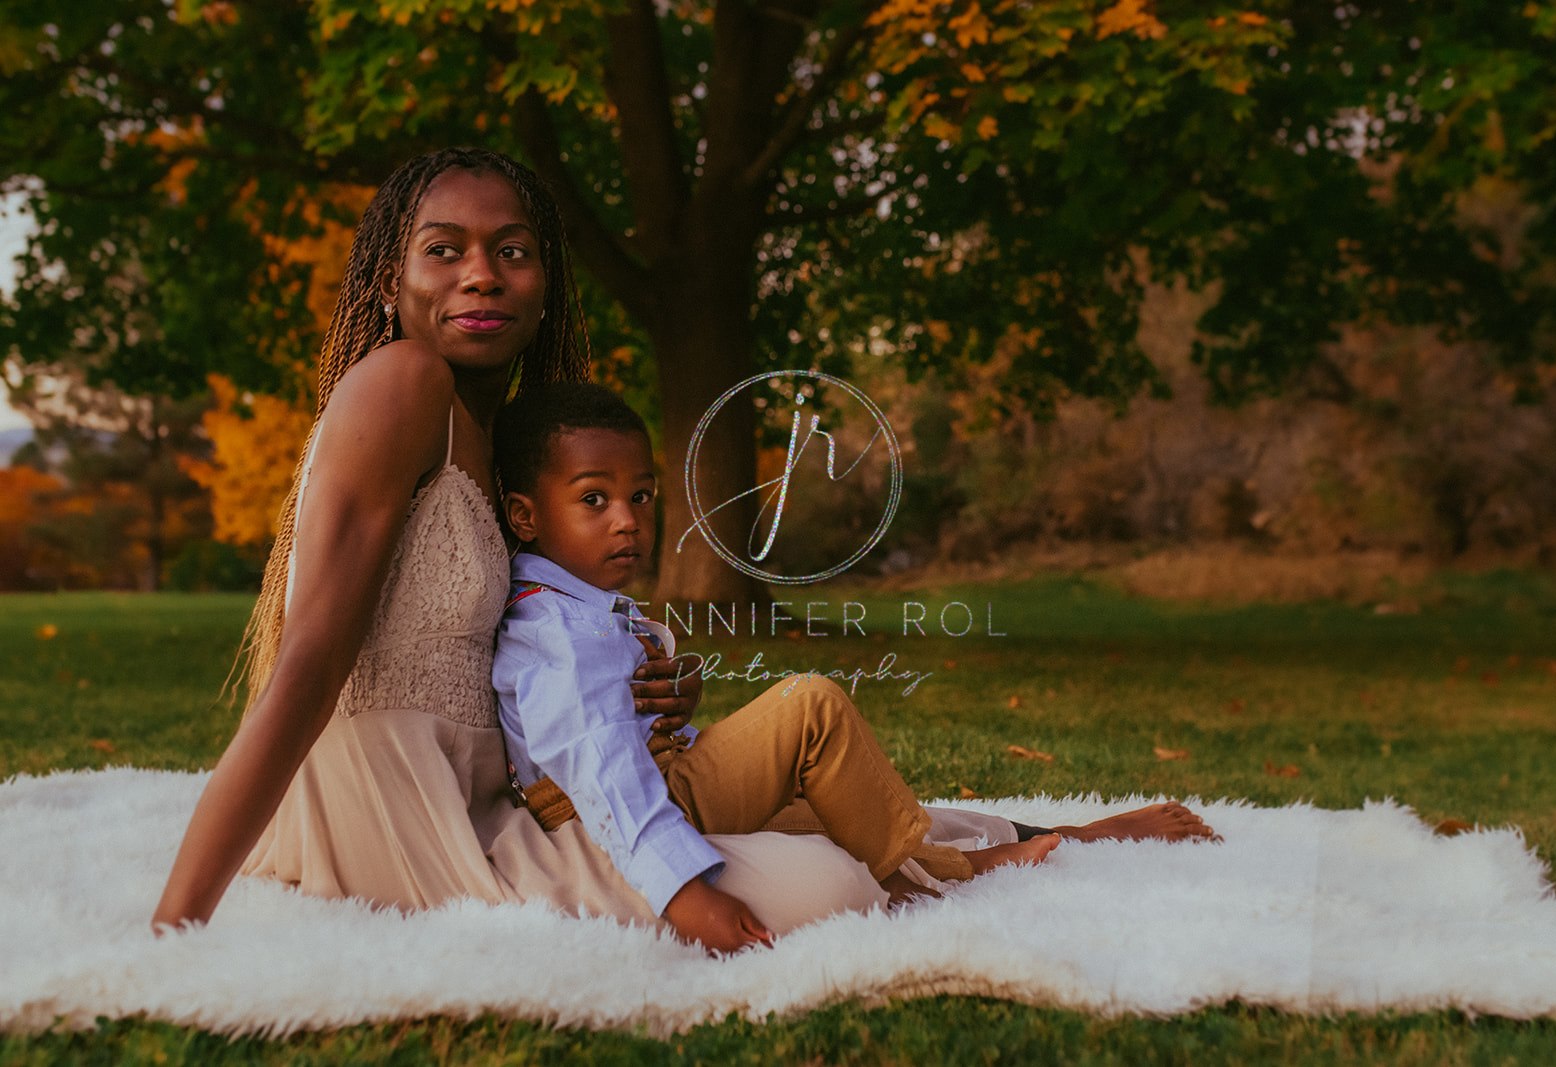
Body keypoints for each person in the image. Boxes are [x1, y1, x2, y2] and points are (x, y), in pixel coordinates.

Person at [150, 146, 1213, 955]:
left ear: (544, 282)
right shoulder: (403, 384)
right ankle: (1003, 860)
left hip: (497, 790)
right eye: (445, 249)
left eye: (512, 251)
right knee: (820, 883)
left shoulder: (497, 433)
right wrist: (173, 931)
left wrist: (632, 680)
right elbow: (308, 661)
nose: (481, 275)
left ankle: (1045, 839)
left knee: (795, 802)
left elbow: (489, 642)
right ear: (390, 276)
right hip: (401, 824)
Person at [490, 382, 1063, 928]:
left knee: (825, 810)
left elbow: (616, 700)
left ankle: (957, 866)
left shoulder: (575, 605)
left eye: (640, 496)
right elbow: (603, 766)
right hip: (625, 805)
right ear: (525, 516)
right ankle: (936, 876)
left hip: (662, 774)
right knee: (812, 704)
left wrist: (679, 680)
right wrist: (683, 893)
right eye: (594, 499)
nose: (627, 519)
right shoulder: (557, 627)